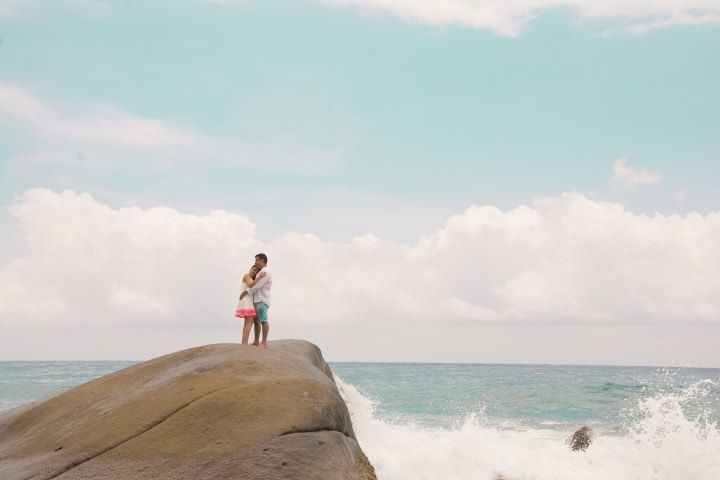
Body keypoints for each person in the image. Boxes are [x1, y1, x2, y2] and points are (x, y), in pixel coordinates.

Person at [239, 253, 272, 347]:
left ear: (263, 260)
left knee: (263, 320)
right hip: (256, 300)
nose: (256, 262)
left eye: (257, 260)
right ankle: (256, 341)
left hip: (261, 300)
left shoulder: (266, 272)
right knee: (256, 321)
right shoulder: (258, 273)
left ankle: (264, 342)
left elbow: (257, 285)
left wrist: (246, 292)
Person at [235, 265, 266, 345]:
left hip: (247, 300)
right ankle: (244, 342)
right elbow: (250, 285)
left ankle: (243, 341)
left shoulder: (251, 278)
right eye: (254, 269)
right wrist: (259, 278)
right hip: (246, 300)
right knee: (250, 322)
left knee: (247, 322)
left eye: (256, 271)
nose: (254, 271)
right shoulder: (247, 276)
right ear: (250, 268)